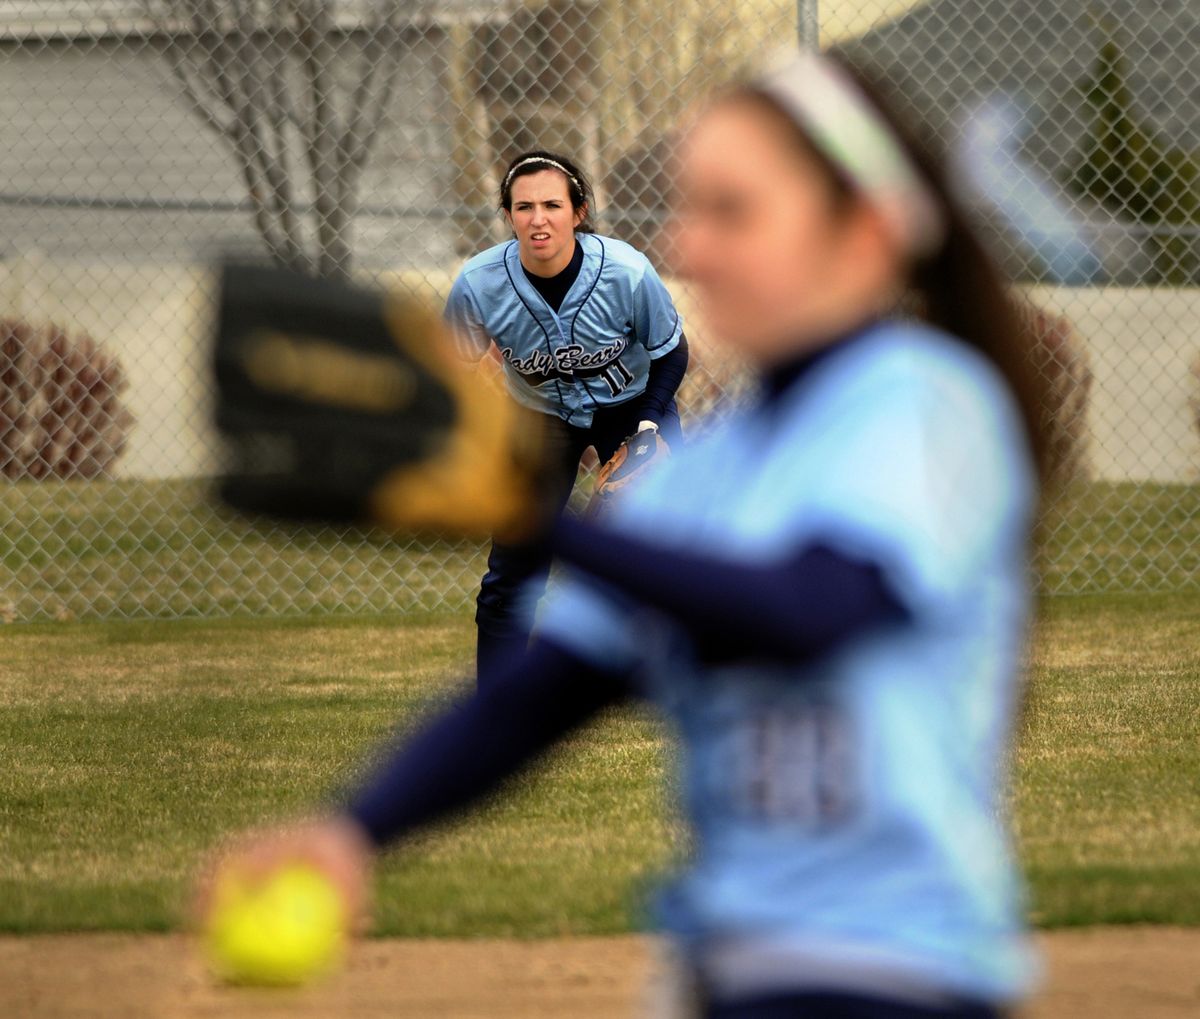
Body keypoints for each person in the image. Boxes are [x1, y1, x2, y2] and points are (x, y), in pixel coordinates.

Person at [200, 48, 1053, 1019]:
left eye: (734, 211)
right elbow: (546, 689)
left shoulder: (927, 402)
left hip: (897, 970)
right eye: (689, 209)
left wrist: (537, 517)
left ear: (862, 233)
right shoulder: (704, 469)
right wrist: (354, 827)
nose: (690, 247)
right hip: (725, 965)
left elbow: (814, 606)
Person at [443, 150, 689, 683]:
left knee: (671, 553)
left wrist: (650, 425)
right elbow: (450, 371)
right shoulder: (480, 283)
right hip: (540, 419)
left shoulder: (625, 271)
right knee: (512, 571)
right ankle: (498, 703)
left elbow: (671, 350)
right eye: (523, 206)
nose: (538, 219)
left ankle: (686, 680)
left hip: (633, 406)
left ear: (577, 212)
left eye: (552, 204)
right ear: (508, 215)